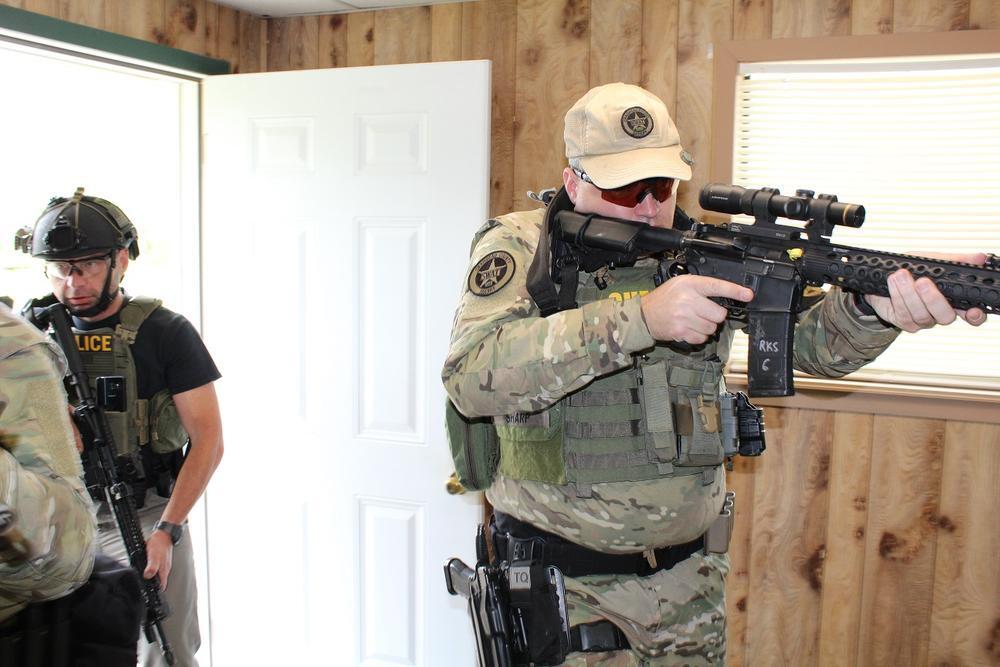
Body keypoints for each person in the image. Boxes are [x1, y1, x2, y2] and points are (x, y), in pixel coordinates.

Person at [441, 82, 988, 665]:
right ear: (575, 180)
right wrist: (641, 318)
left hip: (690, 582)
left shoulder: (700, 246)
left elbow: (814, 349)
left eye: (661, 184)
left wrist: (876, 310)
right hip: (567, 587)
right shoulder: (524, 245)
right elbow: (472, 374)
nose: (650, 206)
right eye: (627, 188)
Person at [16, 188, 224, 667]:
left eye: (87, 264)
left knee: (167, 651)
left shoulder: (165, 332)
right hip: (56, 517)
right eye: (59, 268)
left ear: (122, 260)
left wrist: (167, 531)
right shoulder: (29, 332)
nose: (72, 281)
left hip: (145, 514)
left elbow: (208, 442)